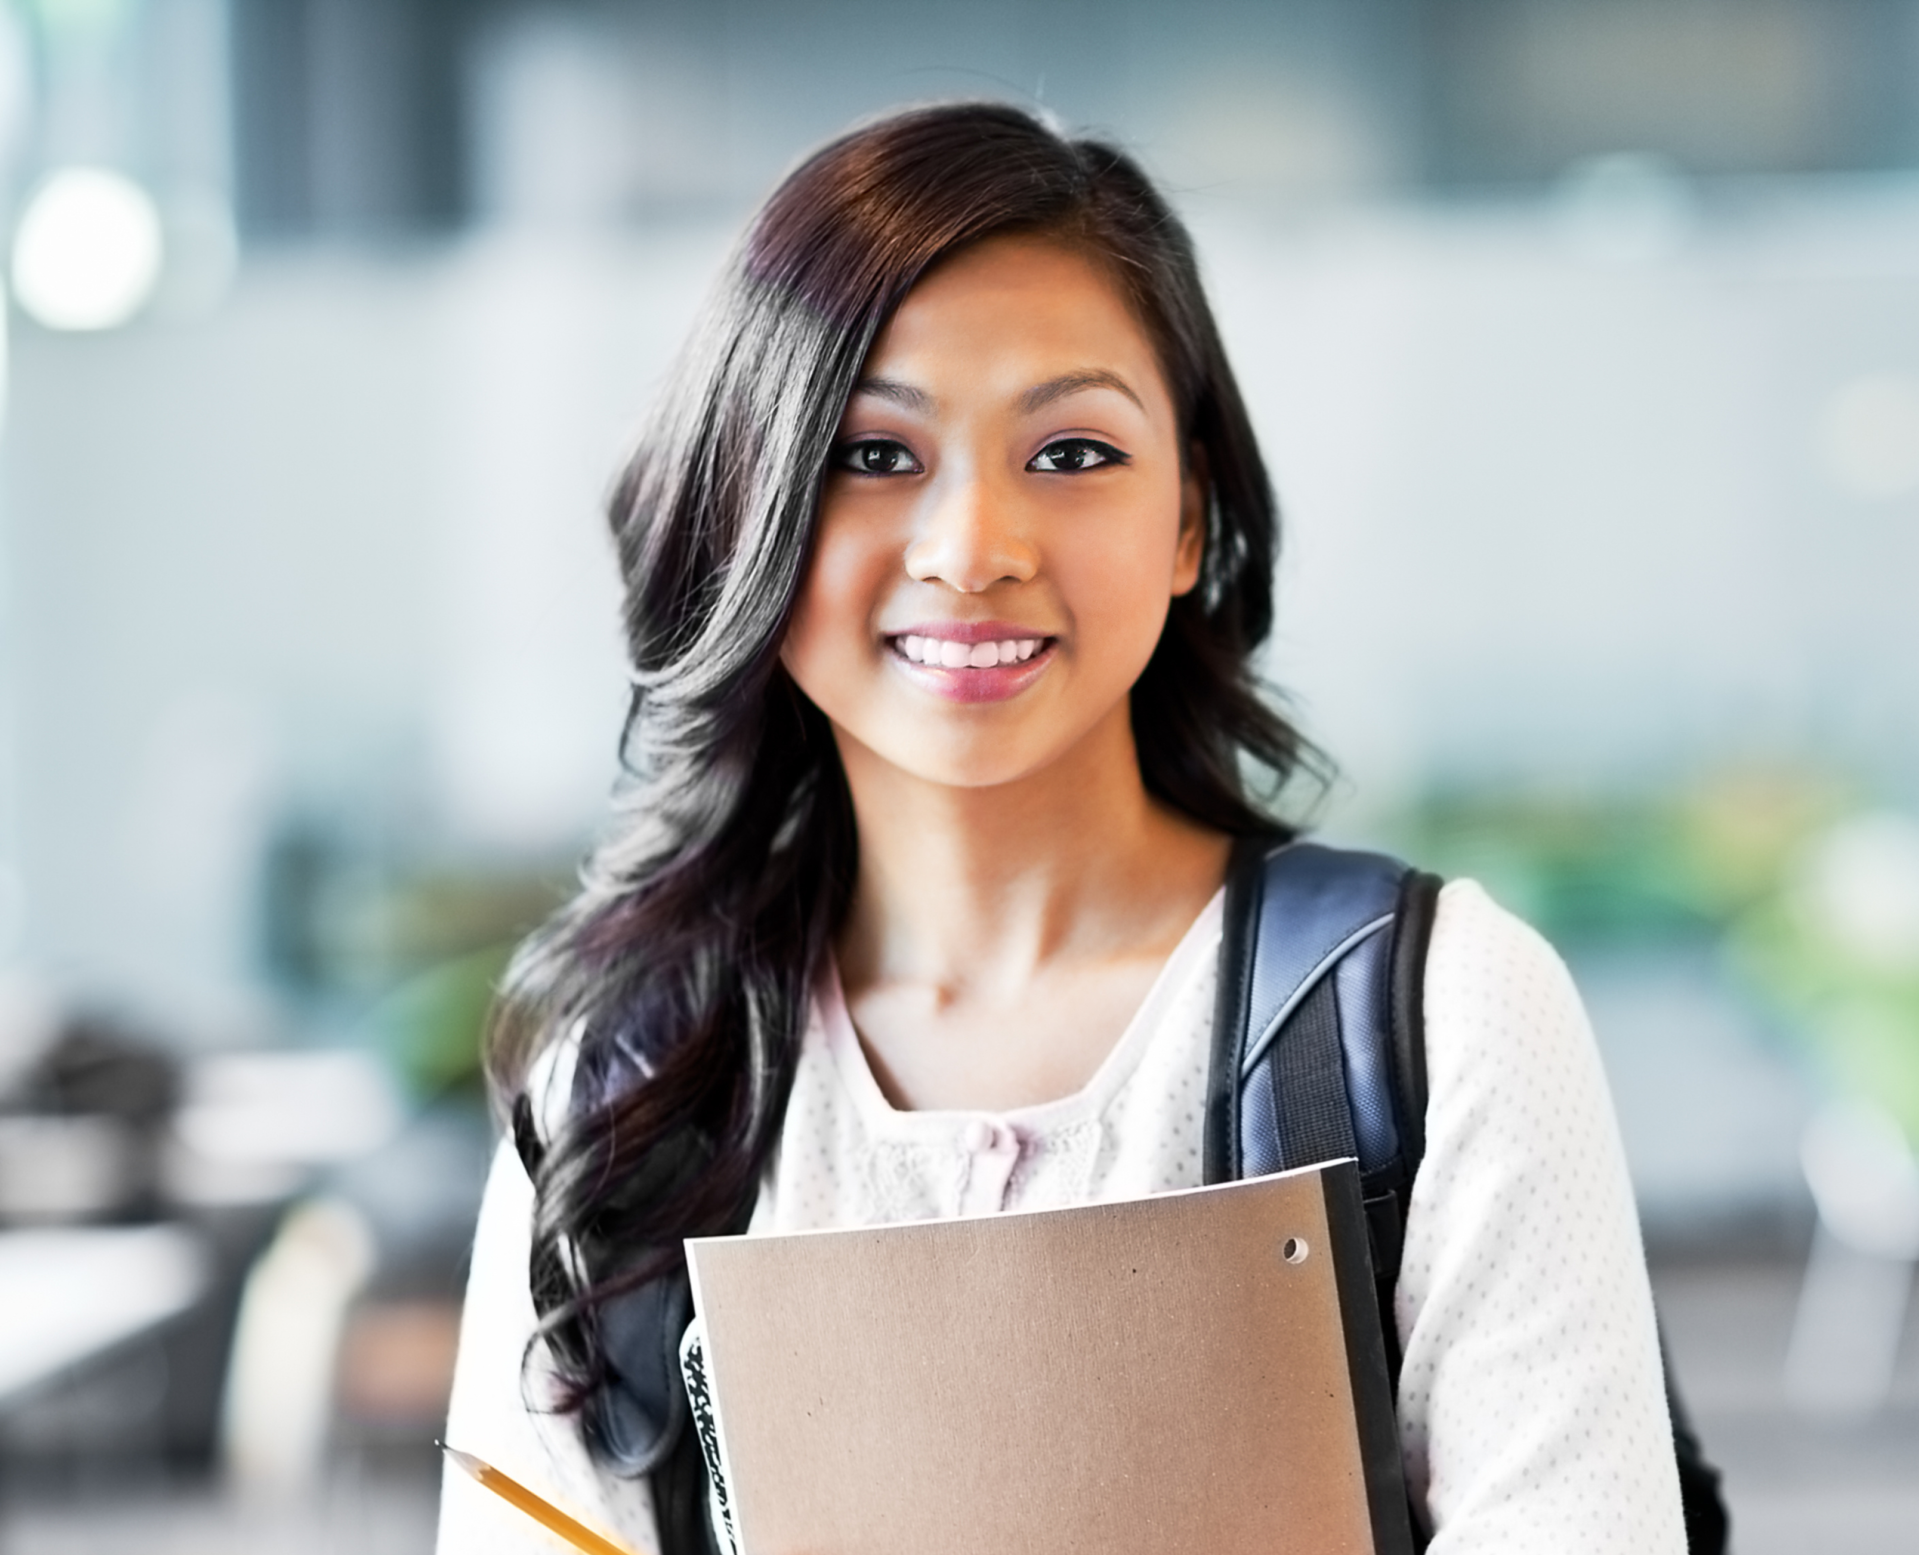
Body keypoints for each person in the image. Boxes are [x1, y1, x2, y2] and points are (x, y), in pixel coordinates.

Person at [437, 102, 1686, 1554]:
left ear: (1186, 520)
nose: (973, 550)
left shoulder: (1438, 1012)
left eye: (1073, 452)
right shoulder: (632, 1086)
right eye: (872, 454)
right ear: (748, 509)